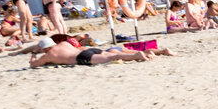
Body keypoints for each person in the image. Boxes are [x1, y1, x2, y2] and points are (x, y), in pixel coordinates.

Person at [29, 36, 174, 68]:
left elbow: (34, 65)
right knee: (110, 53)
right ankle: (147, 53)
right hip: (88, 50)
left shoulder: (48, 55)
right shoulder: (63, 43)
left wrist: (34, 55)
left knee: (113, 56)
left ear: (44, 48)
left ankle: (137, 55)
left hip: (82, 57)